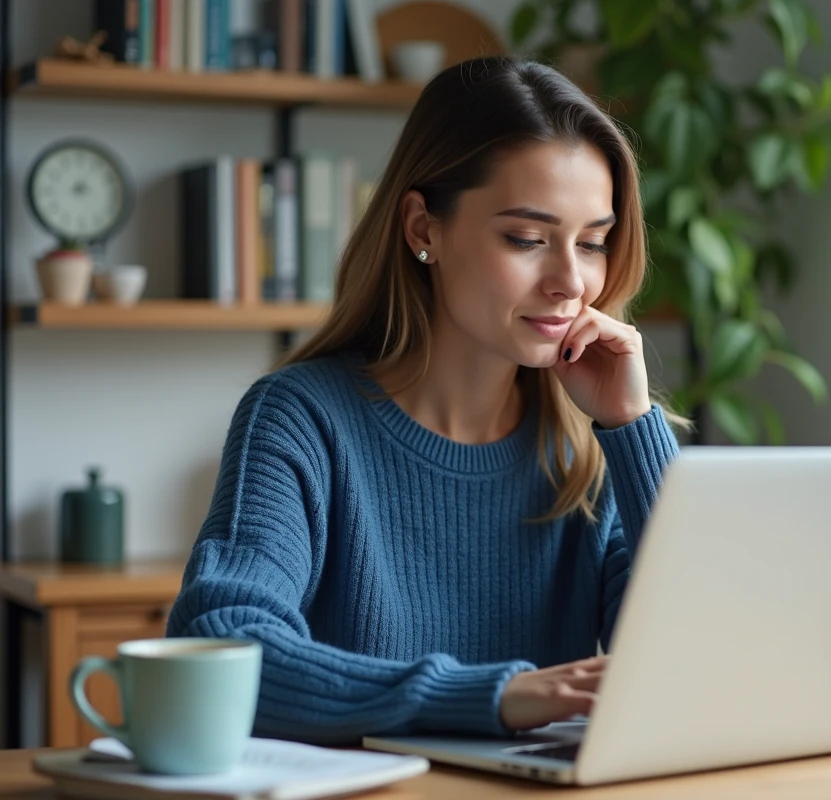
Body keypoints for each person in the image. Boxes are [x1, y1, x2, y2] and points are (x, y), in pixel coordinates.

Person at [166, 55, 684, 745]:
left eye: (592, 243)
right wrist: (489, 696)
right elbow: (223, 646)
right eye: (526, 238)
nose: (571, 282)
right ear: (422, 229)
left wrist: (631, 427)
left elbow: (690, 666)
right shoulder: (301, 419)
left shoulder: (593, 447)